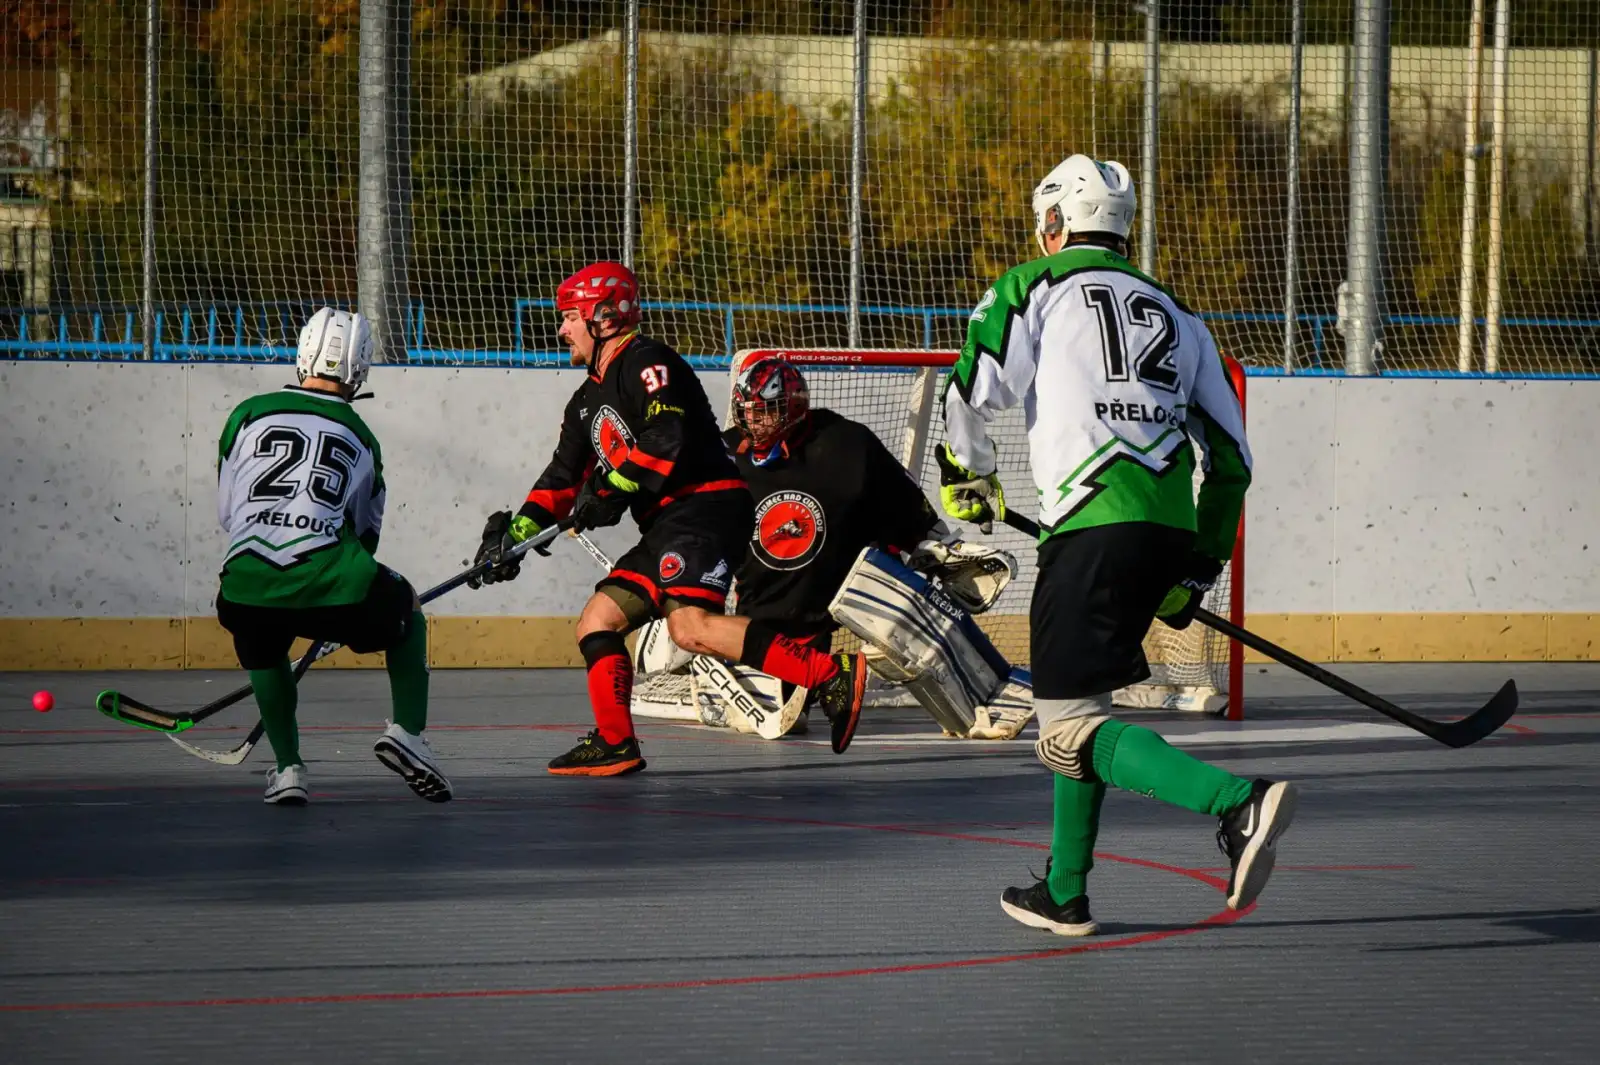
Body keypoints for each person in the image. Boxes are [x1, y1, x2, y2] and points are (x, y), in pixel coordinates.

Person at [937, 154, 1296, 934]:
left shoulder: (1032, 286)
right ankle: (1065, 889)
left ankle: (1236, 801)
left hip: (1090, 529)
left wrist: (967, 472)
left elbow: (974, 385)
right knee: (1083, 708)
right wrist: (1198, 565)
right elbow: (1232, 459)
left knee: (1065, 728)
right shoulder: (1181, 314)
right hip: (1166, 529)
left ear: (1056, 222)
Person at [469, 263, 869, 774]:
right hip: (664, 525)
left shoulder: (648, 362)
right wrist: (516, 536)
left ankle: (828, 674)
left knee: (690, 627)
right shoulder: (585, 401)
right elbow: (561, 479)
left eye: (569, 316)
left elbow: (667, 436)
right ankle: (617, 743)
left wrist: (611, 488)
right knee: (598, 620)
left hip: (706, 507)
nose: (562, 329)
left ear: (603, 317)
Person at [647, 355, 1021, 743]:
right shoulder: (725, 455)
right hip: (757, 625)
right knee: (774, 715)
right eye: (747, 412)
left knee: (905, 619)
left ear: (794, 407)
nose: (754, 422)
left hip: (826, 614)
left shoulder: (847, 445)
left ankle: (977, 697)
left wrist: (940, 548)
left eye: (766, 411)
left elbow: (906, 509)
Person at [214, 308, 449, 805]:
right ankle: (408, 733)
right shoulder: (362, 436)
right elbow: (365, 538)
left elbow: (229, 514)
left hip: (243, 586)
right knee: (405, 602)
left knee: (265, 641)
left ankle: (288, 769)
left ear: (301, 354)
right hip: (331, 584)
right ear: (360, 369)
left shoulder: (246, 414)